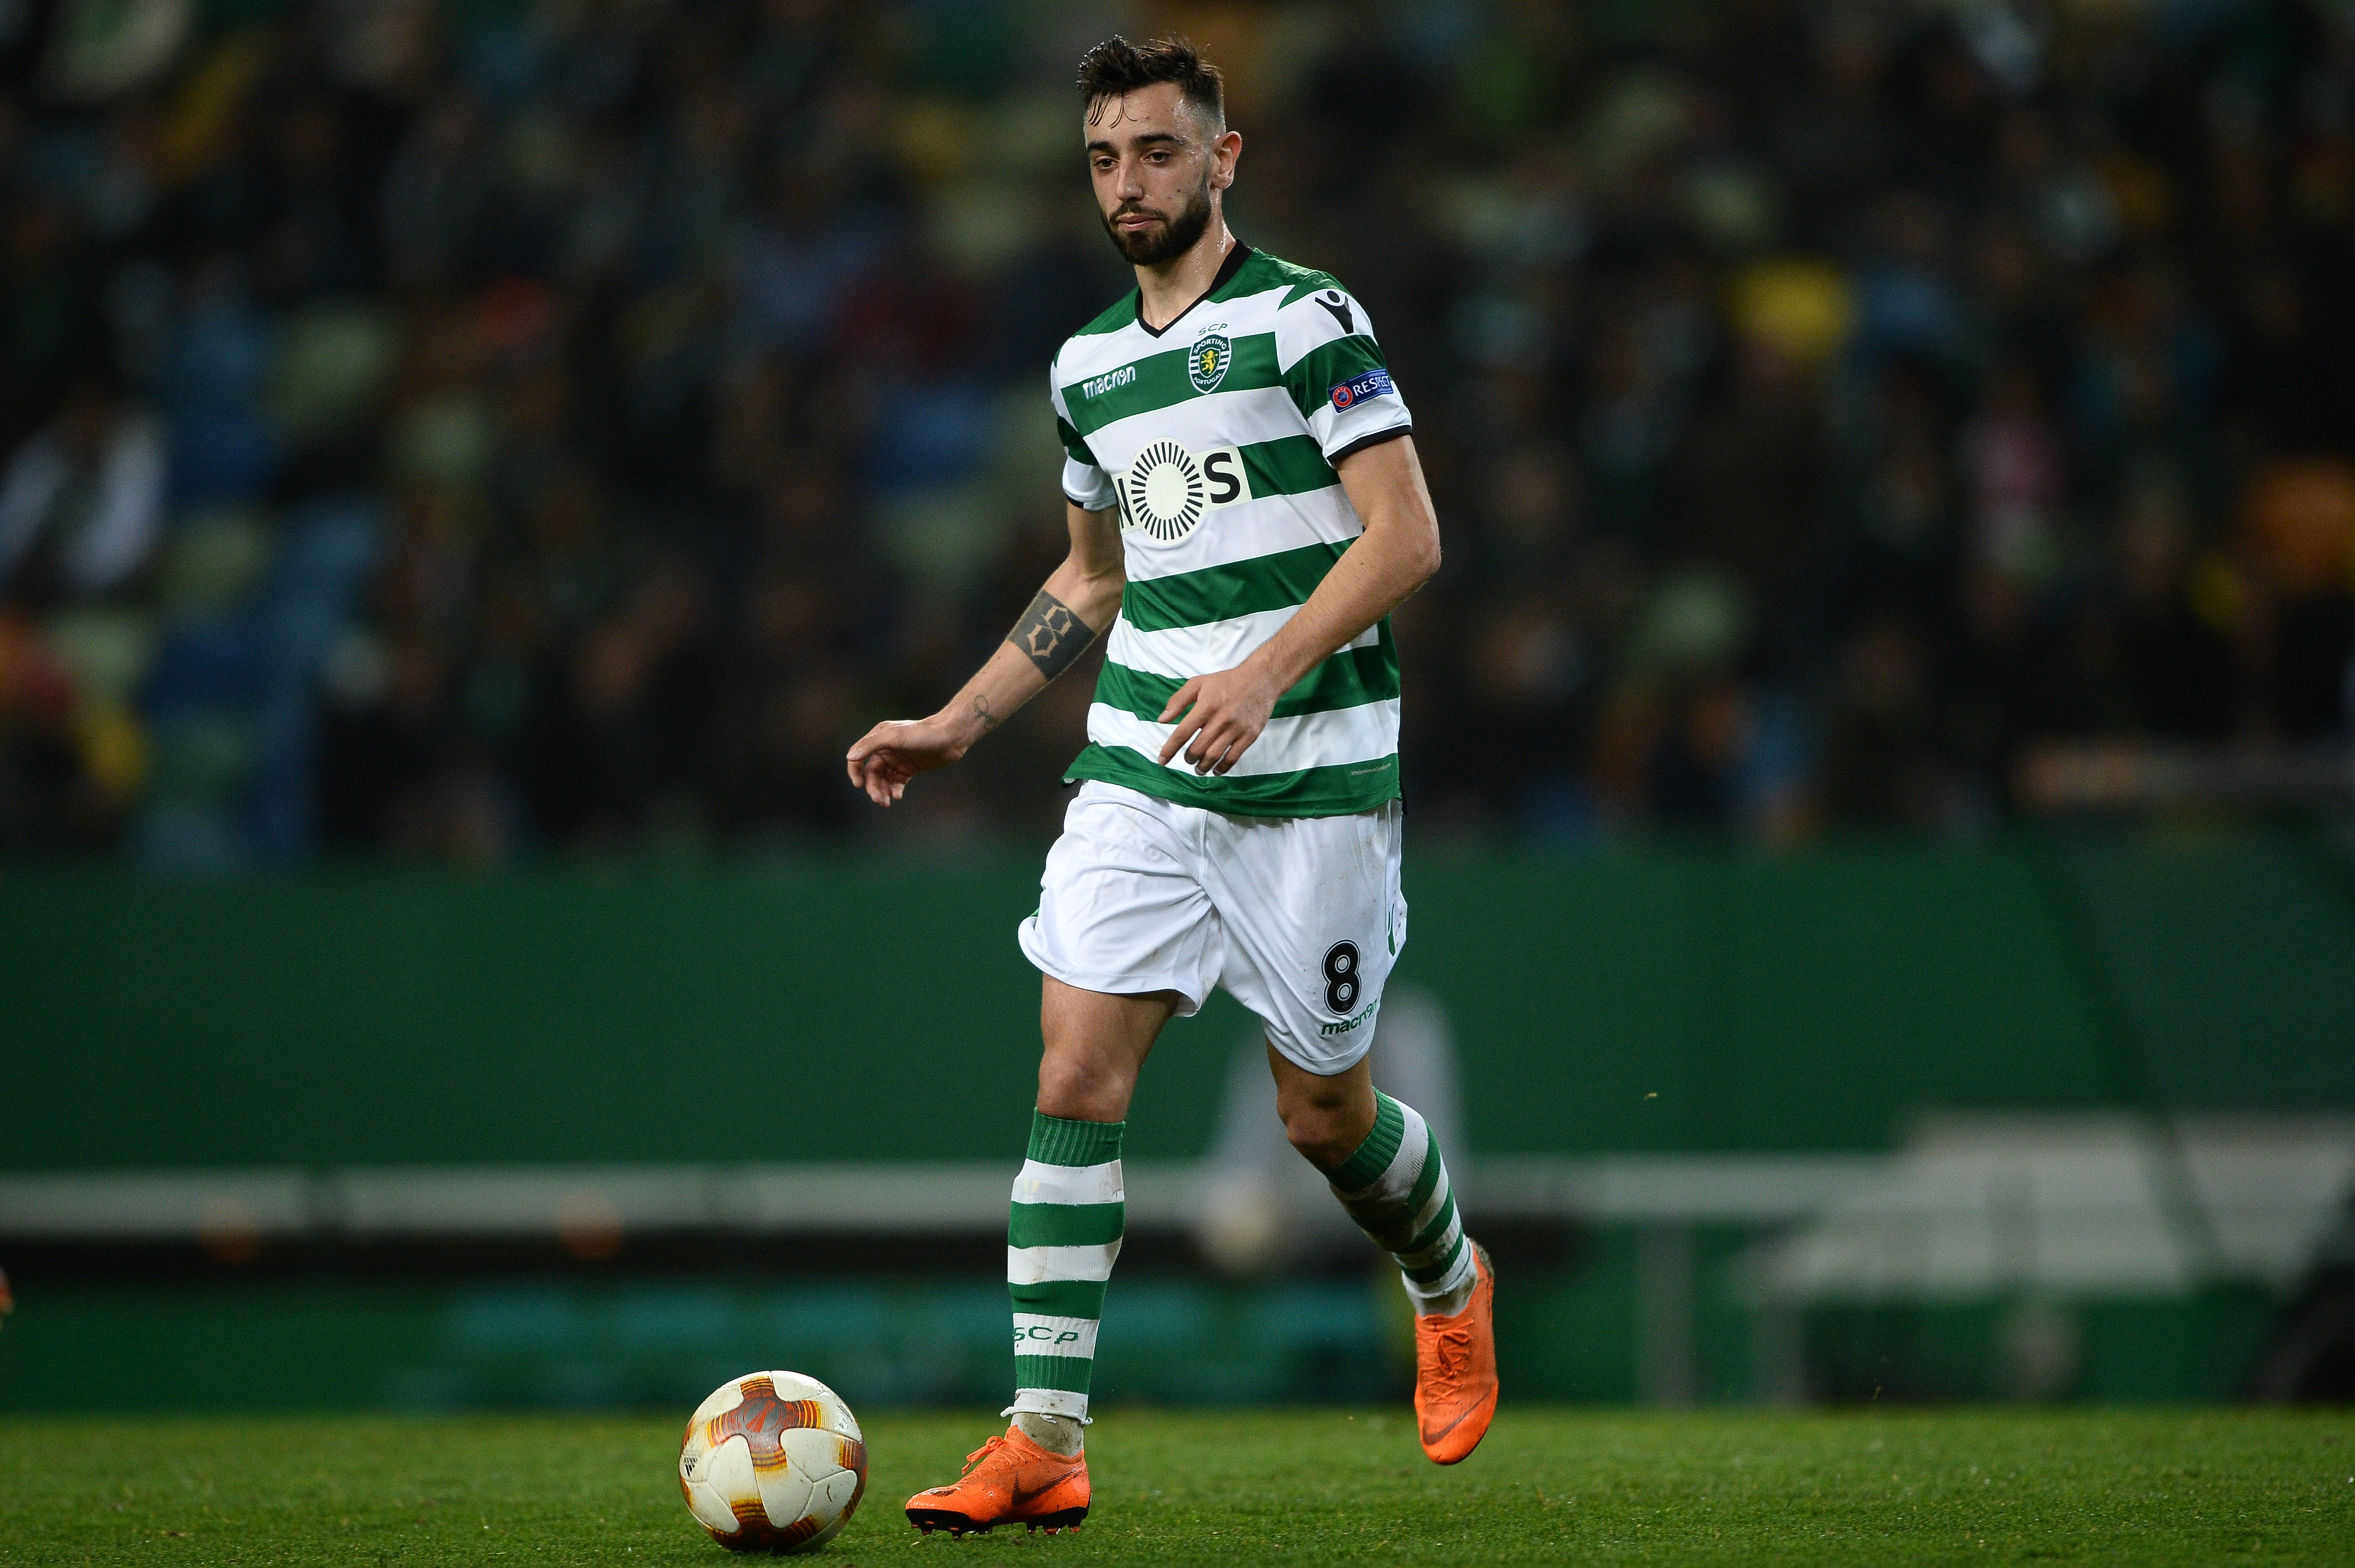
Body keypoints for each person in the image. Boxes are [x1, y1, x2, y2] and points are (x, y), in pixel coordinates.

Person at [845, 35, 1496, 1537]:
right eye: (1101, 158)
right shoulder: (1087, 367)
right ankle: (1044, 1436)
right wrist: (960, 717)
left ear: (1222, 157)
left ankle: (1448, 1277)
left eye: (1153, 150)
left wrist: (1263, 670)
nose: (1125, 182)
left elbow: (1405, 538)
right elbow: (1090, 578)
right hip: (1141, 762)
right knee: (1073, 1071)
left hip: (1315, 771)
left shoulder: (1306, 319)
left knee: (1322, 1120)